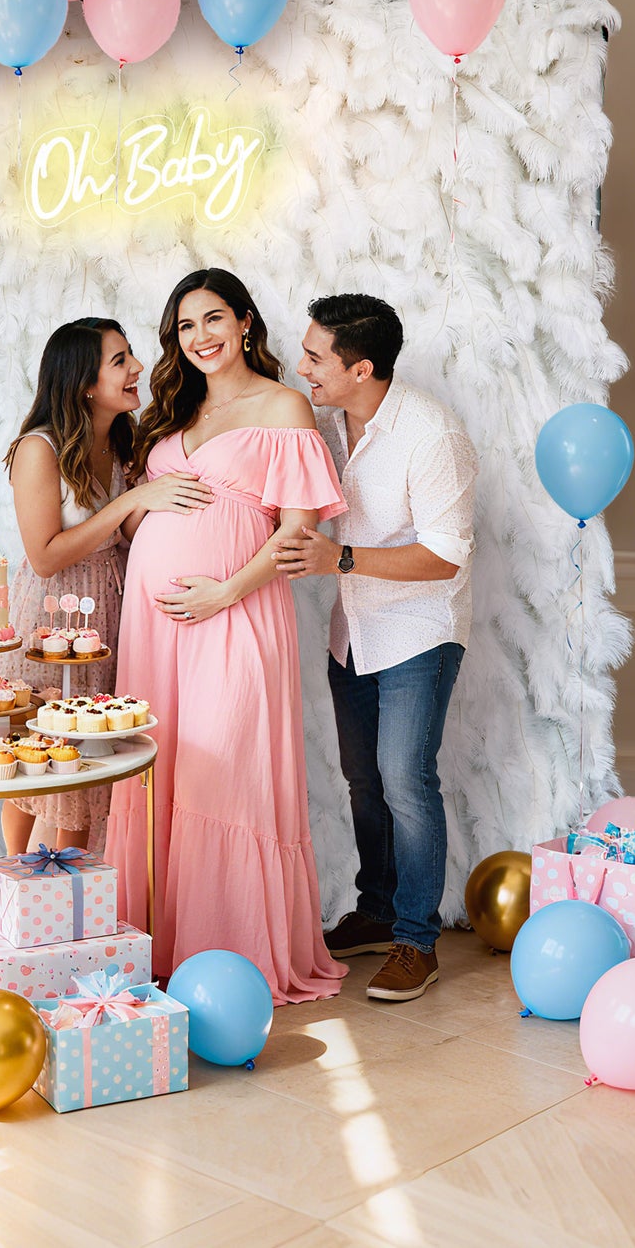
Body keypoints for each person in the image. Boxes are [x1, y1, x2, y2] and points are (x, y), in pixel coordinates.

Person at [104, 268, 348, 1004]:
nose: (200, 336)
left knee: (224, 773)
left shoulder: (284, 406)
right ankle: (158, 946)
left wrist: (224, 591)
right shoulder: (170, 414)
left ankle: (231, 958)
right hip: (154, 629)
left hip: (237, 613)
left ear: (244, 321)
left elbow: (298, 532)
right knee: (156, 770)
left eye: (213, 318)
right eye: (185, 326)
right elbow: (141, 517)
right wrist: (149, 509)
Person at [275, 293, 477, 1001]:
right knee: (364, 780)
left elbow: (446, 556)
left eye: (314, 358)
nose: (302, 367)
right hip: (353, 633)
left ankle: (416, 941)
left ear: (361, 369)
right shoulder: (324, 423)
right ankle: (377, 910)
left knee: (405, 781)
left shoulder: (432, 434)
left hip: (420, 633)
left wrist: (340, 560)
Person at [2, 318, 212, 857]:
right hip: (52, 616)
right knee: (38, 750)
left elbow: (130, 532)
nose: (137, 367)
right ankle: (13, 878)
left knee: (91, 757)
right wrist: (131, 501)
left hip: (112, 611)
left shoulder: (123, 441)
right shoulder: (38, 449)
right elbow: (44, 557)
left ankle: (70, 888)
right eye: (120, 361)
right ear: (85, 383)